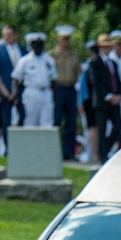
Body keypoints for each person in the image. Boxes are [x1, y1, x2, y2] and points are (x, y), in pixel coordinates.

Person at [87, 34, 121, 162]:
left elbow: (117, 81)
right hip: (102, 101)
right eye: (104, 47)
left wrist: (118, 95)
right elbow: (95, 83)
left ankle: (105, 150)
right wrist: (108, 96)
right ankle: (102, 156)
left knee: (118, 127)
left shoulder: (113, 63)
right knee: (101, 130)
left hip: (114, 101)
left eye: (108, 47)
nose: (106, 49)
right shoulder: (94, 63)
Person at [12, 33, 58, 127]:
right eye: (35, 45)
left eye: (40, 45)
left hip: (46, 92)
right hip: (32, 92)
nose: (38, 48)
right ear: (31, 46)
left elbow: (54, 79)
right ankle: (30, 141)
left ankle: (45, 141)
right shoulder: (24, 60)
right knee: (31, 120)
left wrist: (54, 96)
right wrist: (15, 95)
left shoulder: (49, 60)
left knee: (47, 121)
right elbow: (16, 79)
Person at [0, 25, 26, 145]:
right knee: (6, 121)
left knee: (24, 117)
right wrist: (4, 91)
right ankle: (8, 148)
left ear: (16, 35)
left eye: (10, 34)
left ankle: (21, 144)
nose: (7, 37)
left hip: (22, 90)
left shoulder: (23, 50)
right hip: (5, 92)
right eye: (5, 34)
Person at [51, 25, 82, 160]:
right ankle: (55, 151)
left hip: (70, 88)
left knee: (71, 121)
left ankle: (68, 152)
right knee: (56, 120)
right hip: (57, 88)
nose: (65, 42)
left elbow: (78, 74)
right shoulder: (51, 55)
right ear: (58, 39)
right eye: (63, 39)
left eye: (67, 39)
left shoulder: (73, 56)